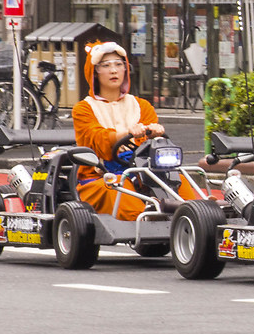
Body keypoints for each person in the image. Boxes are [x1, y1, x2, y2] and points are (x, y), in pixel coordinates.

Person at [72, 40, 198, 220]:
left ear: (125, 69)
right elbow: (94, 138)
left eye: (118, 64)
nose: (114, 70)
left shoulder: (141, 105)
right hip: (101, 175)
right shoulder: (83, 109)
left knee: (176, 179)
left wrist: (155, 133)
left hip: (141, 171)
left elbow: (148, 147)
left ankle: (194, 215)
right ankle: (144, 219)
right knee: (118, 186)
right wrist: (125, 134)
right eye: (106, 66)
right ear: (94, 72)